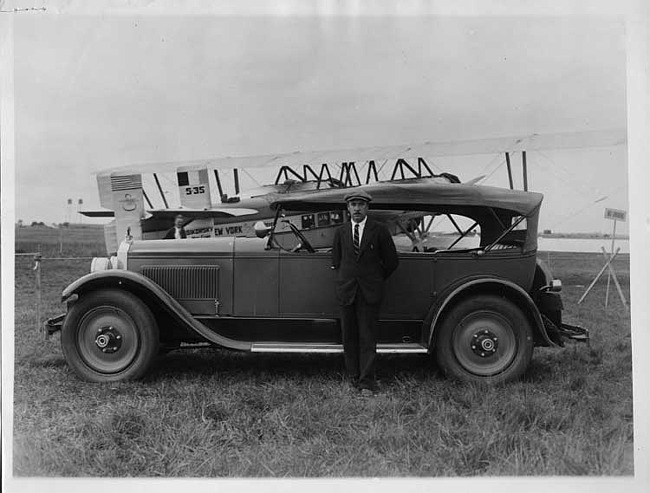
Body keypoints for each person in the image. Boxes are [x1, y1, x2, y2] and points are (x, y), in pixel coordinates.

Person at [331, 190, 399, 396]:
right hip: (347, 292)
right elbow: (336, 261)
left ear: (367, 207)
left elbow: (391, 262)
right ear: (348, 208)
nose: (357, 208)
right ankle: (353, 377)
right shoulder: (341, 232)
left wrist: (374, 280)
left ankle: (367, 383)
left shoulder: (379, 230)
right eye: (353, 204)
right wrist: (347, 280)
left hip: (369, 293)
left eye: (361, 204)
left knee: (367, 337)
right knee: (349, 336)